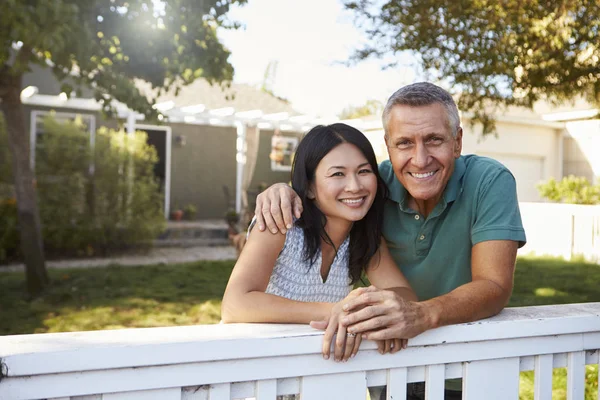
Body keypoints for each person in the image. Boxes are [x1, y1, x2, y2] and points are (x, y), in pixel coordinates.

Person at [254, 82, 527, 399]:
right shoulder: (371, 186)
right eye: (405, 143)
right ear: (388, 146)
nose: (420, 159)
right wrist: (282, 191)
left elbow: (494, 286)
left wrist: (421, 315)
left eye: (434, 140)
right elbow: (327, 188)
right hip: (391, 362)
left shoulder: (489, 181)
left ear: (457, 141)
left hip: (468, 369)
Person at [221, 123, 418, 364]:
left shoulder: (365, 238)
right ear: (310, 187)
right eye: (338, 174)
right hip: (256, 366)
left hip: (316, 371)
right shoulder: (281, 224)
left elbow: (406, 296)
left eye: (364, 171)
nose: (355, 186)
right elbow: (234, 304)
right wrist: (339, 311)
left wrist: (363, 307)